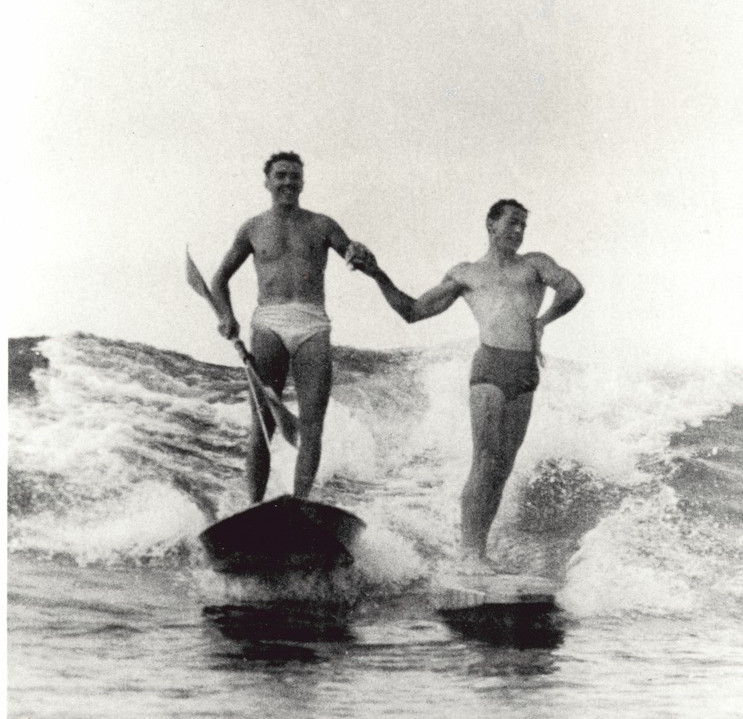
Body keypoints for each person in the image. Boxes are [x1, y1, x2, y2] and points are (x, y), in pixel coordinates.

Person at [354, 199, 584, 564]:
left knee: (504, 467)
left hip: (525, 372)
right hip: (489, 368)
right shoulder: (466, 274)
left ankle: (480, 550)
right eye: (512, 223)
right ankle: (469, 554)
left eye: (524, 225)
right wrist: (377, 273)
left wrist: (543, 321)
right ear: (491, 224)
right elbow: (412, 311)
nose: (519, 231)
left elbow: (572, 288)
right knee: (485, 460)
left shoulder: (535, 264)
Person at [211, 151, 370, 502]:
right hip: (269, 321)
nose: (287, 182)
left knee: (312, 426)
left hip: (312, 323)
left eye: (294, 176)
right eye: (280, 175)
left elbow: (352, 253)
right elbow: (219, 279)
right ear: (266, 182)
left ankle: (299, 505)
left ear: (303, 181)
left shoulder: (323, 224)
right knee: (263, 423)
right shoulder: (252, 228)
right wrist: (226, 315)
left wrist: (358, 253)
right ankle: (254, 506)